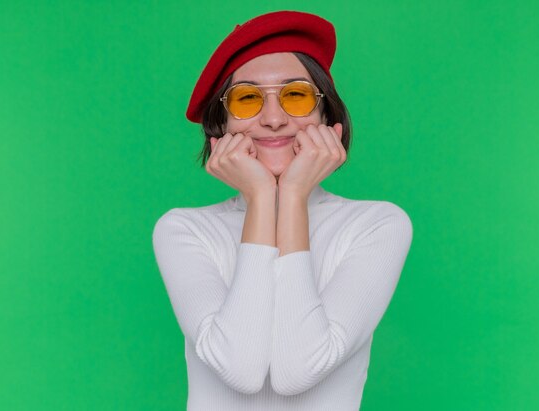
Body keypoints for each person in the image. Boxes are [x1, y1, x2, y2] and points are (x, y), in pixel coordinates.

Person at [152, 10, 413, 411]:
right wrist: (261, 197)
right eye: (247, 99)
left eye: (295, 95)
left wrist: (290, 197)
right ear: (220, 128)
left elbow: (296, 371)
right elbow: (241, 369)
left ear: (328, 116)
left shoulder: (377, 225)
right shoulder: (184, 229)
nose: (273, 119)